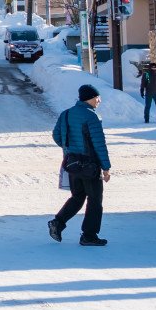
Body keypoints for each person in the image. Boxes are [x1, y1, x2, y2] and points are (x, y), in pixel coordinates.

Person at [49, 84, 112, 246]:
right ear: (89, 98)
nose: (99, 100)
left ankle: (58, 222)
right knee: (95, 200)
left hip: (72, 164)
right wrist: (106, 167)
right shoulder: (92, 117)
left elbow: (57, 136)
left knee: (77, 197)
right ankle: (89, 235)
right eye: (97, 97)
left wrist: (69, 149)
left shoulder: (66, 114)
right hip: (90, 166)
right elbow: (99, 145)